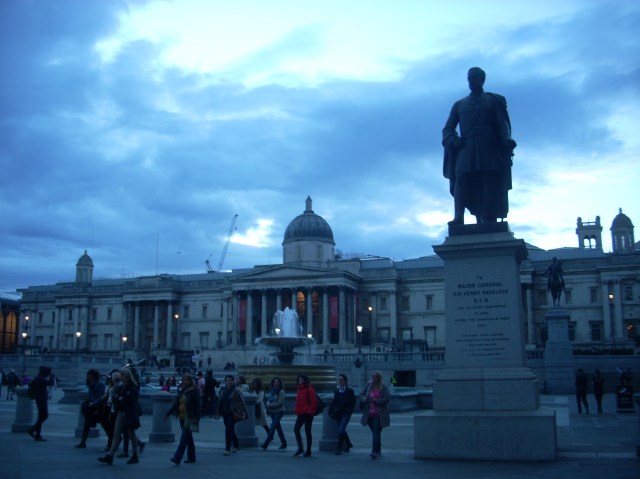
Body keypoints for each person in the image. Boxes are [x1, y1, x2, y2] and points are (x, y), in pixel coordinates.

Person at [442, 67, 516, 225]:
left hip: (487, 146)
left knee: (487, 180)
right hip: (466, 147)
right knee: (461, 178)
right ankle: (458, 217)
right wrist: (454, 140)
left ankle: (487, 217)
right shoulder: (459, 105)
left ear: (482, 79)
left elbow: (502, 125)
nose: (471, 80)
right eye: (469, 78)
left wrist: (507, 140)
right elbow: (448, 128)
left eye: (475, 77)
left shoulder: (493, 101)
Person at [98, 368, 142, 465]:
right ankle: (110, 455)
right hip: (121, 412)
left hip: (129, 414)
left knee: (131, 435)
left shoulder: (132, 387)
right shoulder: (123, 386)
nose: (119, 378)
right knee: (116, 434)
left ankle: (135, 455)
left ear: (125, 376)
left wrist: (118, 398)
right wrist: (118, 398)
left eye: (121, 376)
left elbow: (125, 399)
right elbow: (116, 397)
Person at [166, 373, 201, 465]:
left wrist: (197, 418)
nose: (183, 382)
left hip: (190, 417)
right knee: (188, 438)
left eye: (185, 380)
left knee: (184, 437)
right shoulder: (182, 390)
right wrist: (168, 413)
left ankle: (177, 457)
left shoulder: (195, 391)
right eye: (182, 380)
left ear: (190, 381)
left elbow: (199, 405)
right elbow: (176, 403)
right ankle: (191, 457)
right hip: (181, 417)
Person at [75, 369, 112, 449]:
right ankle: (83, 442)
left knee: (105, 425)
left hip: (98, 408)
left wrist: (94, 403)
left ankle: (110, 441)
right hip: (91, 406)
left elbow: (102, 396)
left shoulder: (100, 384)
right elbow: (91, 394)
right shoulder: (90, 383)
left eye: (89, 375)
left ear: (94, 376)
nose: (88, 377)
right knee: (87, 424)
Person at [359, 371, 391, 459]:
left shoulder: (383, 387)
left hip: (379, 413)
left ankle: (374, 451)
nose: (373, 378)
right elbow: (361, 395)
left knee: (376, 432)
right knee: (375, 432)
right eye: (372, 376)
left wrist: (376, 401)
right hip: (368, 413)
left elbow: (387, 398)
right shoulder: (368, 385)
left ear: (379, 378)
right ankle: (378, 449)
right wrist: (365, 399)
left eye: (375, 376)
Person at [215, 374, 247, 456]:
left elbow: (241, 402)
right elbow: (219, 402)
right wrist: (218, 413)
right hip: (225, 413)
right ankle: (236, 445)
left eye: (231, 380)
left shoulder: (236, 390)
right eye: (228, 380)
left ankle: (227, 449)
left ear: (233, 381)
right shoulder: (222, 390)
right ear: (225, 381)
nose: (229, 382)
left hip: (233, 413)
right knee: (230, 429)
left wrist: (243, 413)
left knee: (228, 430)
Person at [329, 374, 356, 455]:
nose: (340, 381)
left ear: (345, 381)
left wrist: (348, 411)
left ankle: (339, 448)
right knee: (342, 430)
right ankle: (348, 444)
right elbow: (335, 402)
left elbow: (353, 402)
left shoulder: (350, 391)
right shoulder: (336, 391)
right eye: (339, 379)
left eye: (341, 379)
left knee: (340, 429)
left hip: (346, 414)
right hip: (338, 414)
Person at [27, 365, 54, 441]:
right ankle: (33, 430)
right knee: (44, 416)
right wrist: (51, 375)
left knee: (41, 416)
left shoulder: (38, 378)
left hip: (40, 398)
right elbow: (51, 383)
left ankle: (37, 434)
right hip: (41, 399)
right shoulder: (40, 379)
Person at [260, 376, 287, 451]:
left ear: (280, 383)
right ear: (272, 383)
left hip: (279, 411)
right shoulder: (272, 391)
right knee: (278, 427)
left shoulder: (281, 391)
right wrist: (269, 404)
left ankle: (266, 443)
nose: (276, 383)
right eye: (275, 382)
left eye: (277, 382)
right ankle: (284, 443)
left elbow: (280, 403)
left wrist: (269, 405)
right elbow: (269, 400)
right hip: (272, 412)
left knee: (272, 427)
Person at [293, 374, 317, 457]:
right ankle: (300, 448)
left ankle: (308, 450)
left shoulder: (309, 388)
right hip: (300, 413)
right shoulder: (299, 389)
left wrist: (309, 411)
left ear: (305, 380)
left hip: (308, 414)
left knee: (307, 432)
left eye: (301, 379)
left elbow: (313, 402)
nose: (300, 381)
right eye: (299, 379)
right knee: (296, 429)